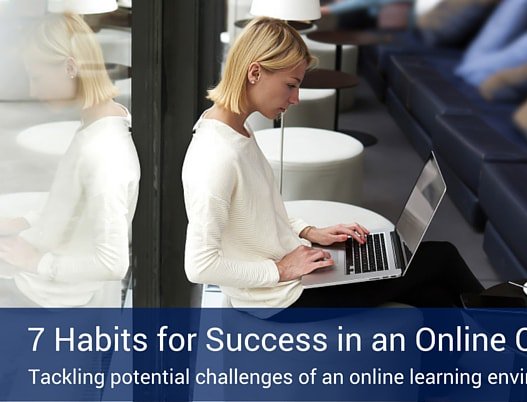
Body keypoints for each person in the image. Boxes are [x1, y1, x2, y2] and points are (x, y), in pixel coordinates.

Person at [182, 16, 482, 314]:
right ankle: (518, 334)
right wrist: (280, 270)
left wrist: (310, 231)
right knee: (443, 258)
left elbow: (258, 213)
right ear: (255, 72)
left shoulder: (237, 130)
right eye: (290, 85)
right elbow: (199, 265)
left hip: (292, 279)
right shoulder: (217, 156)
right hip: (284, 299)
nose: (296, 98)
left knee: (433, 291)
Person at [0, 13, 139, 307]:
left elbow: (113, 263)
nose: (32, 91)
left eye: (36, 77)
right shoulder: (101, 125)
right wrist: (21, 221)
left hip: (53, 299)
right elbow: (75, 203)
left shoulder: (104, 152)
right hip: (50, 281)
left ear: (70, 67)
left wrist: (37, 262)